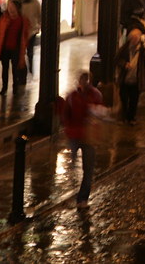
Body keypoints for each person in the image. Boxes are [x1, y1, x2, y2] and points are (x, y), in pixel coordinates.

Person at [61, 71, 103, 208]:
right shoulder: (94, 96)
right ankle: (82, 199)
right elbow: (98, 115)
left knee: (75, 166)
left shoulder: (73, 97)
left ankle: (77, 195)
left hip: (77, 135)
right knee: (88, 170)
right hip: (86, 137)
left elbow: (65, 115)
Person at [115, 26, 145, 124]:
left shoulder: (143, 50)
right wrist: (124, 64)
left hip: (136, 80)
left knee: (134, 100)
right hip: (125, 79)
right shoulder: (125, 48)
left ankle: (131, 118)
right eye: (132, 38)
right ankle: (125, 117)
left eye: (136, 38)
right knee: (124, 99)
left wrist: (144, 74)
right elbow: (117, 59)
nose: (134, 40)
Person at [0, 0, 29, 95]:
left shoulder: (22, 20)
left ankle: (15, 87)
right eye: (9, 6)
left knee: (15, 69)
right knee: (5, 69)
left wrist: (24, 47)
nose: (10, 9)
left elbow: (25, 36)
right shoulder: (4, 19)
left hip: (16, 49)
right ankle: (4, 87)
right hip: (4, 48)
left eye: (12, 7)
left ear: (17, 8)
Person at [10, 0, 41, 77]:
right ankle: (22, 69)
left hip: (31, 30)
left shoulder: (33, 0)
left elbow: (39, 13)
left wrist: (39, 24)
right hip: (19, 29)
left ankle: (30, 68)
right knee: (20, 51)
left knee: (30, 50)